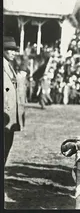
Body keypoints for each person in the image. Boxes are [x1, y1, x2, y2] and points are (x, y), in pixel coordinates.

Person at [4, 36, 26, 164]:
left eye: (14, 50)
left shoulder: (9, 66)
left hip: (10, 117)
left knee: (7, 148)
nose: (13, 52)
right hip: (4, 115)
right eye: (9, 49)